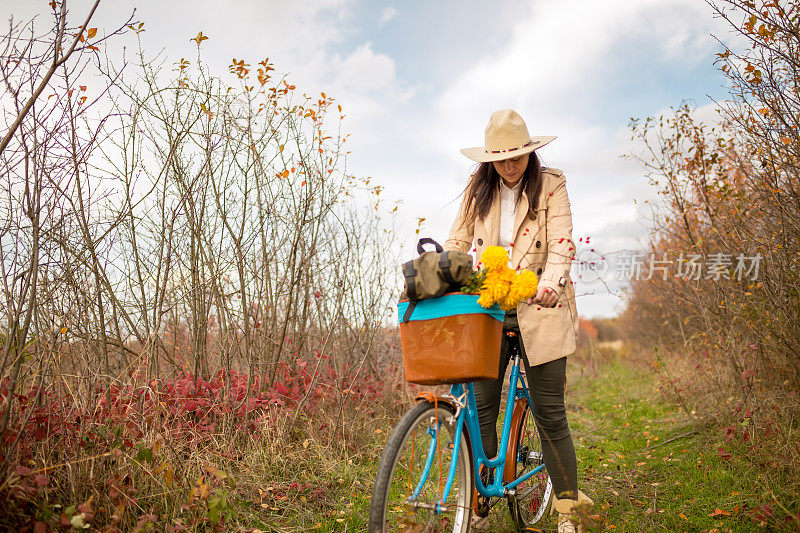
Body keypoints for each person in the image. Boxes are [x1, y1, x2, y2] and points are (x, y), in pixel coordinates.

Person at [444, 109, 592, 532]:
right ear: (488, 159)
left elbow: (562, 242)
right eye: (500, 158)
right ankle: (481, 494)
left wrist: (550, 282)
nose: (509, 166)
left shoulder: (551, 185)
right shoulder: (478, 192)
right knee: (481, 405)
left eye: (517, 156)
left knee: (550, 412)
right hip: (488, 306)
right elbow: (457, 241)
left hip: (539, 305)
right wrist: (445, 274)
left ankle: (569, 512)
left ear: (530, 152)